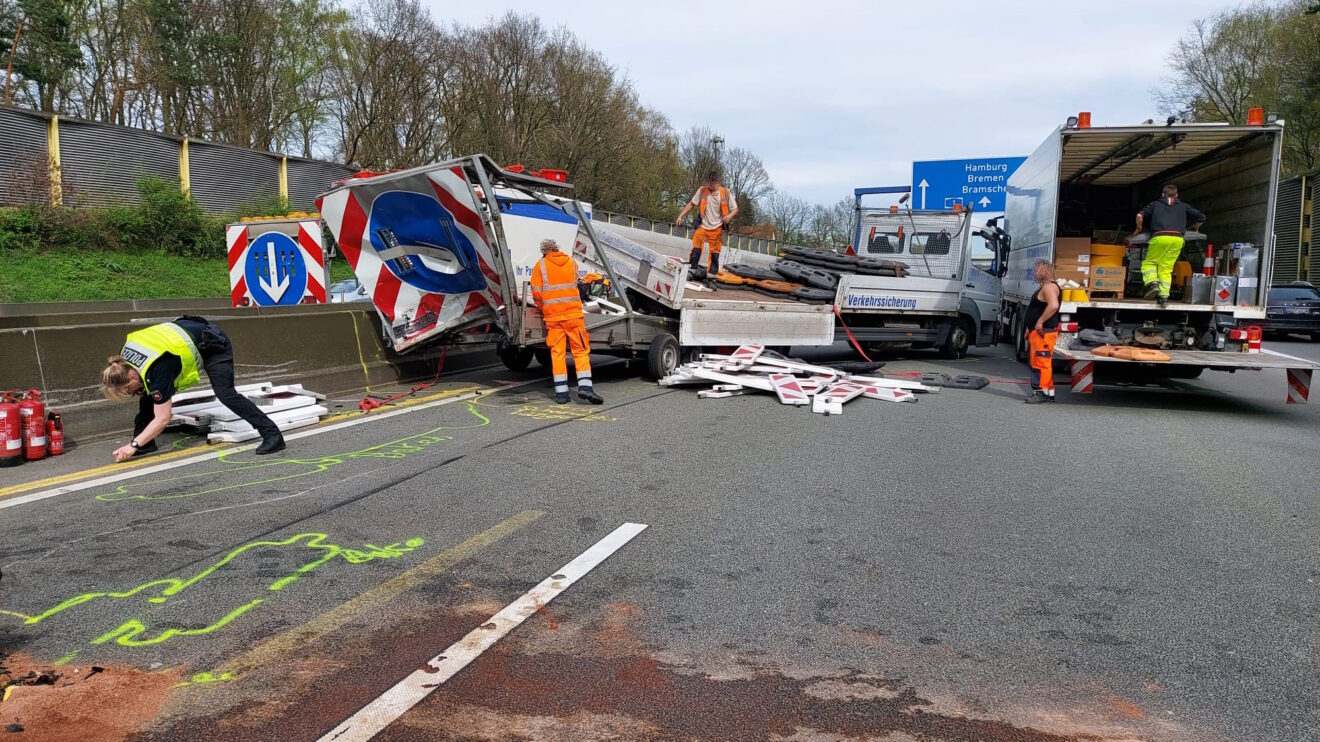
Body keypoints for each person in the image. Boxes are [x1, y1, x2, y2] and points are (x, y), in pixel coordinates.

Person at [101, 316, 285, 461]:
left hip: (212, 342)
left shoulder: (158, 369)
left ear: (132, 376)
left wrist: (132, 445)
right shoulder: (124, 358)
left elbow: (163, 418)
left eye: (127, 390)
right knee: (148, 396)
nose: (130, 393)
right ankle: (146, 444)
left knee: (226, 394)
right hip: (188, 330)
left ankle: (272, 434)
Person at [530, 239, 604, 405]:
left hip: (553, 318)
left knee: (558, 354)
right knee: (580, 351)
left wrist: (545, 308)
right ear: (557, 248)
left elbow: (536, 294)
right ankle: (585, 387)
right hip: (573, 316)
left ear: (544, 251)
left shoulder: (540, 266)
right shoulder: (572, 263)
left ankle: (562, 394)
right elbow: (576, 284)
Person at [1134, 184, 1205, 308]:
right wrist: (1197, 227)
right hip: (1177, 239)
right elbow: (1201, 217)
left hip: (1160, 237)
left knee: (1149, 263)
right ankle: (1164, 296)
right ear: (1176, 195)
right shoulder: (1184, 206)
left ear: (1162, 194)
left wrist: (1139, 228)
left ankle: (1153, 283)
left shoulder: (1155, 204)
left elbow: (1140, 216)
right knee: (1166, 268)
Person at [675, 171, 738, 276]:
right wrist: (681, 216)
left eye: (710, 183)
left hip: (717, 227)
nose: (707, 185)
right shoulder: (702, 191)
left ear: (716, 182)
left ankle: (711, 275)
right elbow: (691, 204)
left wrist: (729, 216)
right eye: (707, 182)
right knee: (696, 247)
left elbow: (735, 209)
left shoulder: (726, 193)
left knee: (715, 252)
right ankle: (692, 270)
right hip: (702, 225)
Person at [1024, 260, 1061, 404]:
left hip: (1043, 333)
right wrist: (1030, 327)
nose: (1035, 273)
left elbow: (1053, 306)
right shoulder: (1046, 287)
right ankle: (1048, 392)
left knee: (1040, 363)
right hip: (1038, 332)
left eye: (1037, 270)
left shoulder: (1049, 287)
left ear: (1046, 270)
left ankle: (1040, 392)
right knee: (1041, 362)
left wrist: (1039, 322)